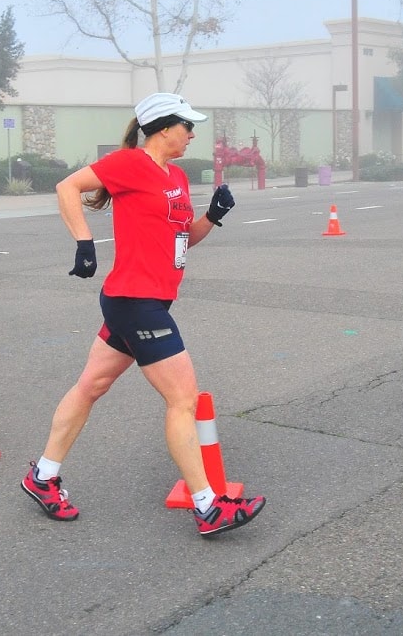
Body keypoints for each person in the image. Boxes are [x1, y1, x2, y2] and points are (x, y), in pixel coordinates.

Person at [20, 92, 266, 537]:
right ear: (163, 128)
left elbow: (181, 240)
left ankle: (42, 477)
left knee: (91, 386)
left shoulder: (174, 176)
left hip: (142, 299)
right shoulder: (130, 163)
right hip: (136, 302)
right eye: (186, 126)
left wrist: (212, 216)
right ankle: (208, 507)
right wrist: (84, 242)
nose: (192, 134)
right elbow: (67, 187)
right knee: (183, 399)